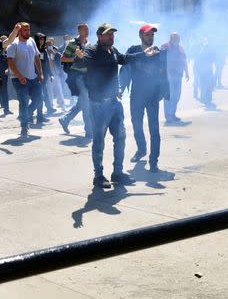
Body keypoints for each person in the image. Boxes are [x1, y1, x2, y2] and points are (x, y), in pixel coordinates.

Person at [77, 23, 154, 188]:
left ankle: (117, 173)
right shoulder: (91, 51)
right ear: (99, 36)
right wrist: (79, 57)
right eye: (107, 34)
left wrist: (144, 54)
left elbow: (125, 59)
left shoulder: (112, 51)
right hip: (98, 105)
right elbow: (83, 63)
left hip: (114, 103)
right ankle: (98, 176)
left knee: (120, 138)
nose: (111, 37)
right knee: (99, 142)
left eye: (112, 34)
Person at [120, 24, 169, 172]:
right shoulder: (133, 50)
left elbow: (163, 73)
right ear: (140, 36)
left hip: (153, 96)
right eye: (148, 35)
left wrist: (164, 92)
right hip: (136, 95)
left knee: (154, 130)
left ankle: (154, 160)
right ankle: (141, 149)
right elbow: (125, 68)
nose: (151, 37)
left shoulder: (159, 53)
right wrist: (121, 87)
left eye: (152, 35)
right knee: (136, 125)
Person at [6, 22, 43, 138]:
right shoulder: (13, 44)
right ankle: (24, 127)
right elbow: (10, 62)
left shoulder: (31, 41)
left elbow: (37, 57)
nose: (27, 31)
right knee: (24, 102)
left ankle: (25, 116)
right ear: (19, 31)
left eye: (28, 29)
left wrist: (40, 73)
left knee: (39, 99)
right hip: (18, 79)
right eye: (25, 30)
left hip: (32, 77)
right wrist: (19, 76)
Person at [59, 23, 92, 138]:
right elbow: (62, 58)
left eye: (87, 29)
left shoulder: (88, 43)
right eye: (85, 29)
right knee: (86, 104)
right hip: (78, 77)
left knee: (82, 103)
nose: (87, 31)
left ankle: (65, 119)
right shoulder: (73, 43)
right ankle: (89, 130)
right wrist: (76, 58)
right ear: (79, 31)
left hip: (88, 78)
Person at [161, 32, 189, 123]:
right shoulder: (165, 46)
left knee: (176, 96)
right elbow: (161, 61)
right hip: (169, 76)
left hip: (178, 75)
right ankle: (168, 116)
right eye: (175, 38)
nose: (176, 40)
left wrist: (187, 72)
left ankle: (172, 114)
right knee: (169, 96)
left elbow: (184, 60)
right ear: (171, 38)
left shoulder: (180, 48)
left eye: (178, 38)